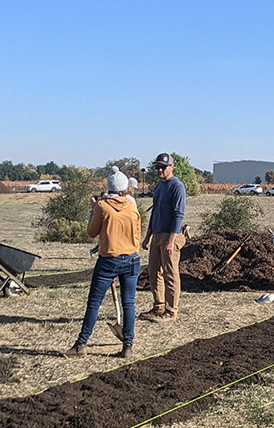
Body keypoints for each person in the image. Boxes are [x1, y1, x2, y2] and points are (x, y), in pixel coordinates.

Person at [65, 167, 141, 359]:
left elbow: (91, 232)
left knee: (94, 303)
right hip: (132, 259)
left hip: (109, 260)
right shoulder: (132, 205)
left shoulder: (102, 207)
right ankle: (128, 346)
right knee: (129, 304)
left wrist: (93, 209)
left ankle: (81, 344)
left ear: (109, 187)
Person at [141, 152, 186, 321]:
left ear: (171, 167)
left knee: (170, 273)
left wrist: (171, 240)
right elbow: (154, 214)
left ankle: (171, 311)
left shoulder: (177, 186)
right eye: (158, 167)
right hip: (157, 235)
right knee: (154, 272)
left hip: (170, 235)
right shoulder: (159, 187)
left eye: (163, 167)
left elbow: (178, 215)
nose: (160, 170)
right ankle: (158, 307)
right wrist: (147, 237)